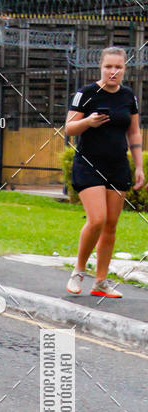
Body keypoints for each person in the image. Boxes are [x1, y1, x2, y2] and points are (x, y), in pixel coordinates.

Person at [65, 46, 144, 299]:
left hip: (117, 164)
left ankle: (100, 281)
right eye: (108, 66)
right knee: (97, 219)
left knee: (110, 225)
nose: (113, 71)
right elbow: (69, 128)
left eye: (118, 67)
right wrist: (88, 122)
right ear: (101, 67)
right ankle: (78, 271)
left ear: (124, 69)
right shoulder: (86, 93)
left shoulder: (129, 96)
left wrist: (139, 165)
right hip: (88, 163)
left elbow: (133, 131)